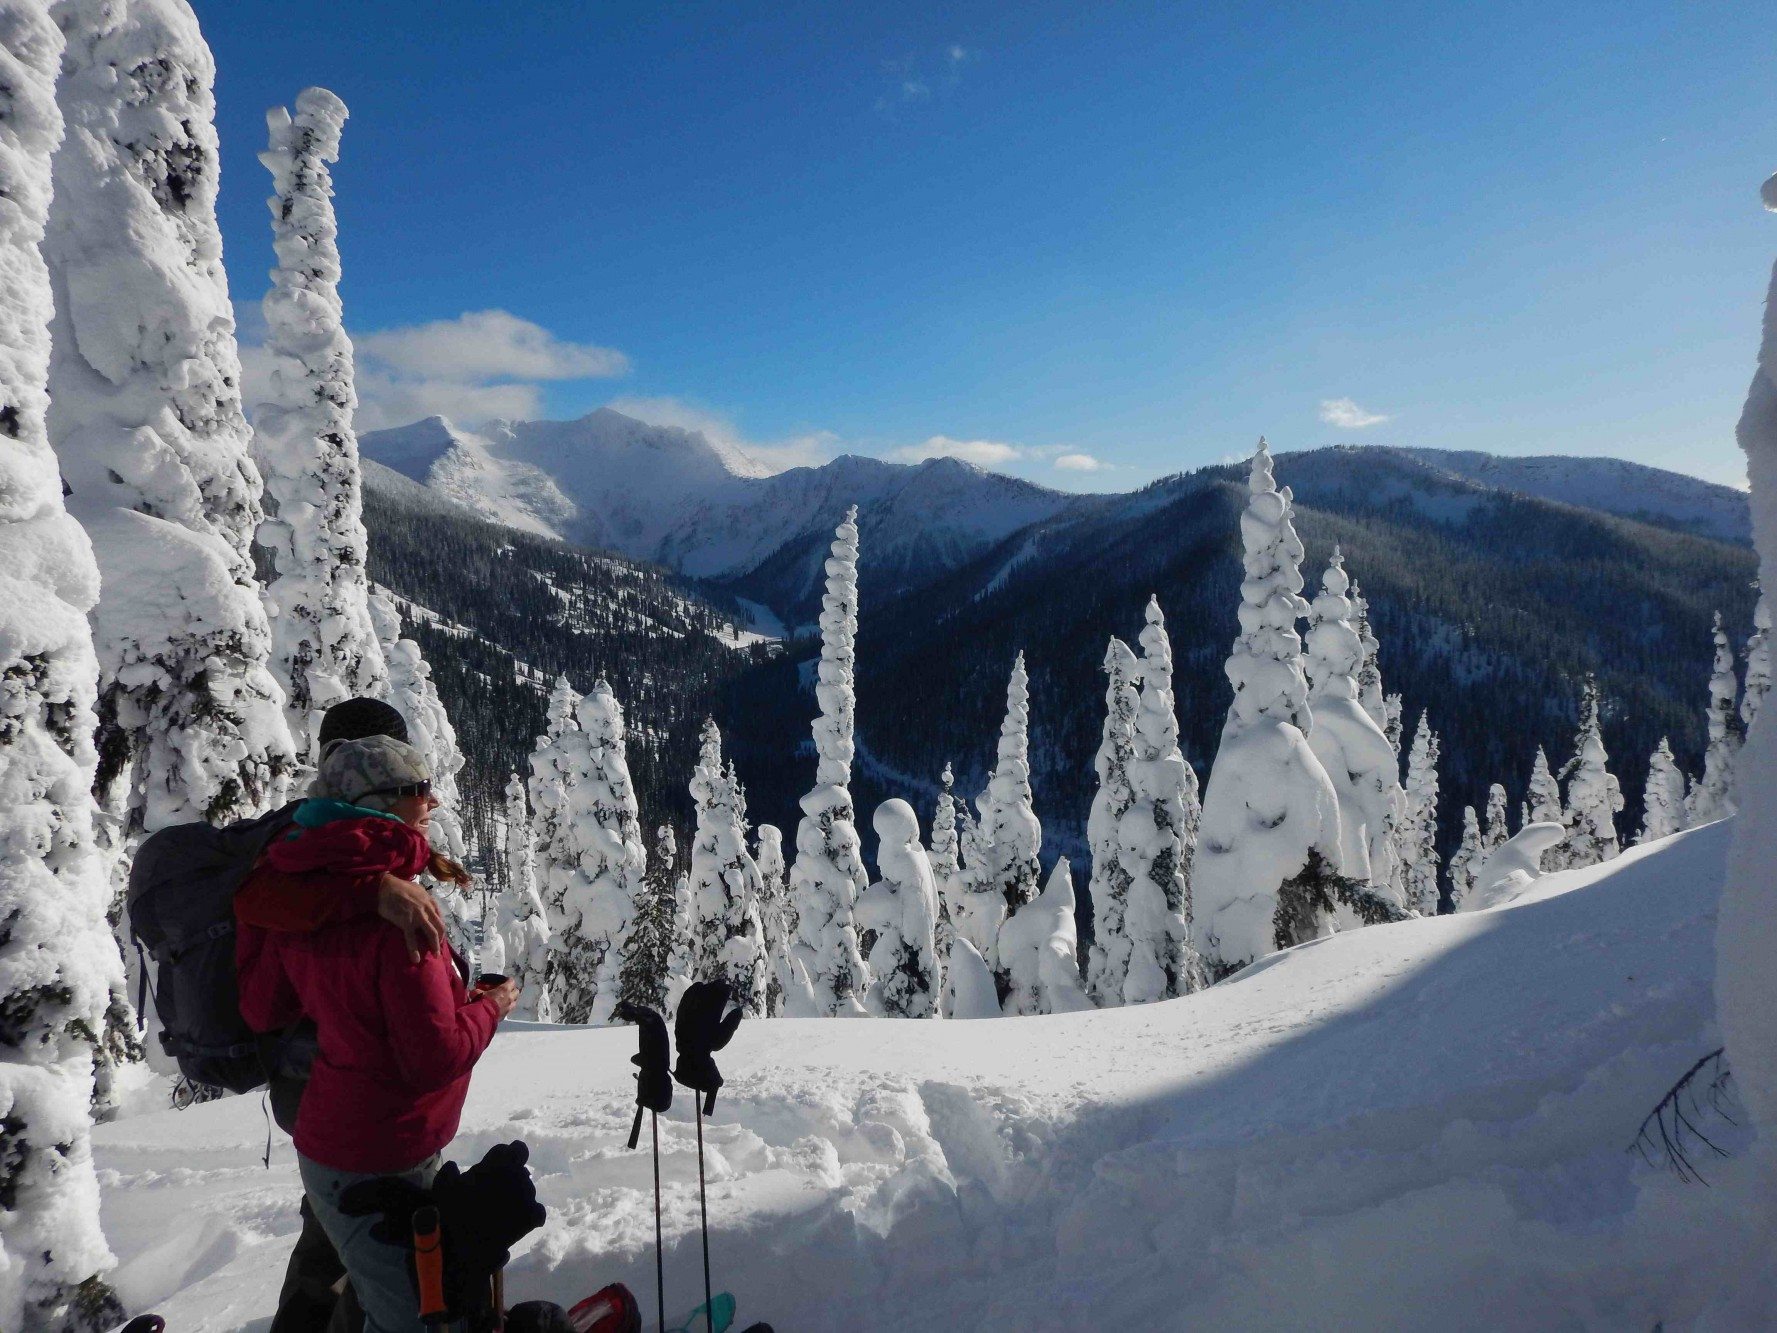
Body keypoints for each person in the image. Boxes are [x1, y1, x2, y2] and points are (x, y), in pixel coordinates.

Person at [238, 734, 519, 1333]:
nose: (433, 801)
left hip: (334, 1144)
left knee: (360, 1289)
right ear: (381, 805)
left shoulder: (305, 891)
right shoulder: (399, 917)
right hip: (382, 1153)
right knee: (412, 1319)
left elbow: (268, 1006)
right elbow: (433, 1058)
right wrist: (492, 1006)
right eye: (418, 790)